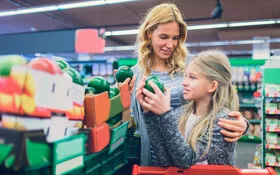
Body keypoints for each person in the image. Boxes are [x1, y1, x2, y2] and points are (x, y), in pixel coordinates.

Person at [125, 3, 249, 166]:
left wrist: (242, 124)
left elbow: (221, 97)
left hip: (193, 156)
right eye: (164, 37)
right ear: (149, 34)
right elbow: (132, 122)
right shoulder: (135, 74)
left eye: (175, 38)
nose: (170, 45)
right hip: (154, 157)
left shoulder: (192, 65)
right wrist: (124, 103)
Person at [136, 50, 239, 167]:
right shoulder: (181, 113)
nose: (184, 82)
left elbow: (186, 160)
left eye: (192, 77)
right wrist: (149, 113)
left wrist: (165, 113)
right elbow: (164, 159)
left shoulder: (223, 121)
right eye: (185, 76)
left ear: (212, 86)